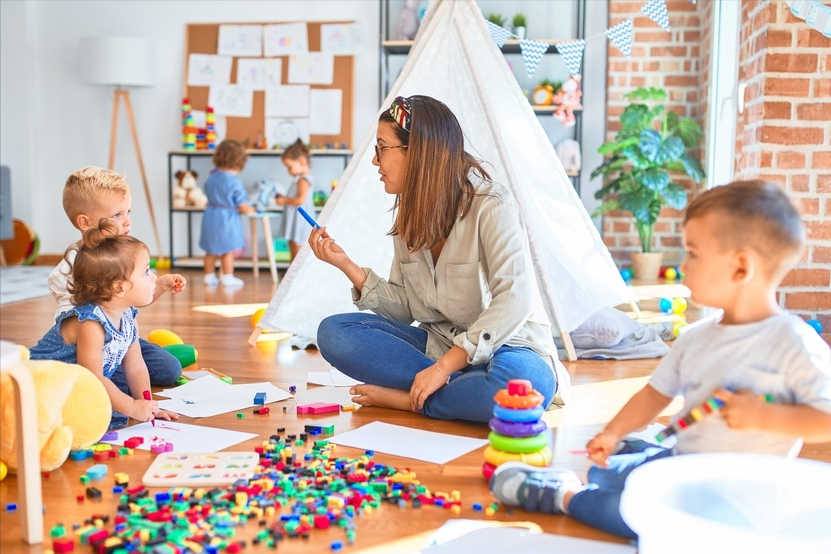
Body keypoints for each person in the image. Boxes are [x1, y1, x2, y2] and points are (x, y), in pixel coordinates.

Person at [490, 180, 831, 538]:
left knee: (636, 518)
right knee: (605, 470)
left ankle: (563, 495)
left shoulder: (794, 344)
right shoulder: (697, 336)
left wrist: (766, 417)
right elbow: (655, 395)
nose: (683, 265)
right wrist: (612, 432)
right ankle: (627, 457)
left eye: (693, 254)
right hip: (680, 464)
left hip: (735, 499)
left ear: (741, 268)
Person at [309, 95, 566, 423]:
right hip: (440, 345)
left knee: (522, 386)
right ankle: (457, 392)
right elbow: (404, 309)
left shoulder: (492, 205)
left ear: (415, 152)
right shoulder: (409, 215)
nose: (375, 161)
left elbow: (514, 299)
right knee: (334, 333)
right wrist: (347, 266)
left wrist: (443, 369)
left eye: (381, 148)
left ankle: (411, 400)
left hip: (510, 346)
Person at [32, 219, 180, 428]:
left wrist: (148, 405)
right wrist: (131, 407)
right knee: (95, 419)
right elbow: (93, 378)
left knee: (108, 409)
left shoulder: (128, 316)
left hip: (78, 386)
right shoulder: (91, 324)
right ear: (119, 287)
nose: (154, 278)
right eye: (146, 271)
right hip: (43, 385)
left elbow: (136, 366)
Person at [48, 166, 185, 390]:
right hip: (85, 349)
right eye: (117, 215)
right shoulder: (67, 271)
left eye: (128, 212)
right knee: (115, 386)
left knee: (169, 369)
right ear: (85, 222)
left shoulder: (126, 255)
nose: (127, 221)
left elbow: (132, 300)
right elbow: (71, 327)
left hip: (118, 342)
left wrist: (159, 285)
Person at [199, 139, 254, 287]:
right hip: (226, 219)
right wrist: (249, 210)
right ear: (239, 161)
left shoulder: (212, 177)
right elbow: (243, 205)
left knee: (210, 250)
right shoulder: (234, 182)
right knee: (227, 250)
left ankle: (209, 276)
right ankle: (227, 276)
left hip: (210, 215)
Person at [275, 139, 318, 261]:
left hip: (300, 220)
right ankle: (292, 272)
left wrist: (284, 201)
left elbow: (300, 200)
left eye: (289, 167)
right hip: (296, 218)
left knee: (297, 248)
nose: (288, 171)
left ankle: (294, 274)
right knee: (293, 246)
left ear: (301, 161)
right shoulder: (300, 178)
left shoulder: (303, 179)